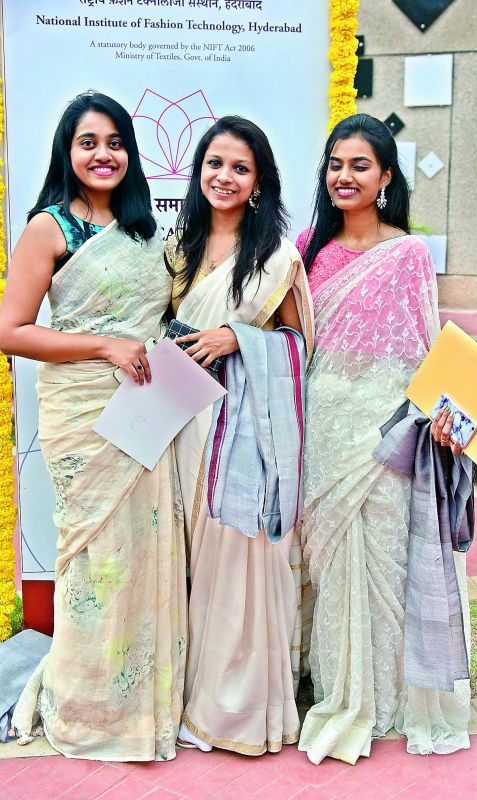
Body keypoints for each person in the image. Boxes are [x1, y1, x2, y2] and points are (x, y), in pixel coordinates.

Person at [0, 92, 187, 761]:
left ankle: (143, 702)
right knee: (93, 561)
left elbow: (169, 318)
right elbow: (10, 331)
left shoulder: (148, 233)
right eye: (88, 143)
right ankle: (86, 704)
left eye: (114, 143)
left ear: (131, 154)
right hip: (83, 415)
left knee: (146, 554)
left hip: (148, 409)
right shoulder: (49, 228)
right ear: (67, 152)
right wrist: (103, 347)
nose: (102, 155)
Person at [296, 113, 471, 766]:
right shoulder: (306, 247)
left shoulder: (406, 254)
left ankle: (389, 699)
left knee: (383, 567)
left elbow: (426, 355)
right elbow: (295, 346)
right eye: (336, 164)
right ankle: (342, 691)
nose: (344, 175)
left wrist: (449, 422)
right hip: (322, 432)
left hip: (385, 434)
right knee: (334, 569)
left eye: (359, 165)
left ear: (386, 176)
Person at [165, 115, 314, 756]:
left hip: (244, 435)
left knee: (238, 555)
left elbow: (300, 346)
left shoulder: (277, 258)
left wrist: (239, 339)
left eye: (240, 168)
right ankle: (179, 693)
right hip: (179, 424)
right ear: (198, 174)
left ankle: (234, 706)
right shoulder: (176, 248)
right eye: (214, 164)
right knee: (184, 559)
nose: (224, 177)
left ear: (258, 183)